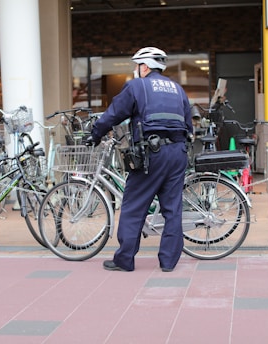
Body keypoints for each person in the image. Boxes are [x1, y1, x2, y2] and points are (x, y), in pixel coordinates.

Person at [88, 47, 193, 272]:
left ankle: (124, 260)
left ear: (144, 66)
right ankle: (168, 262)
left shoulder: (137, 86)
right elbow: (189, 124)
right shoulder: (177, 89)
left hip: (151, 155)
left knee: (134, 207)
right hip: (177, 153)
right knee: (172, 209)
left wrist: (95, 134)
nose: (136, 70)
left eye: (136, 66)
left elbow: (114, 113)